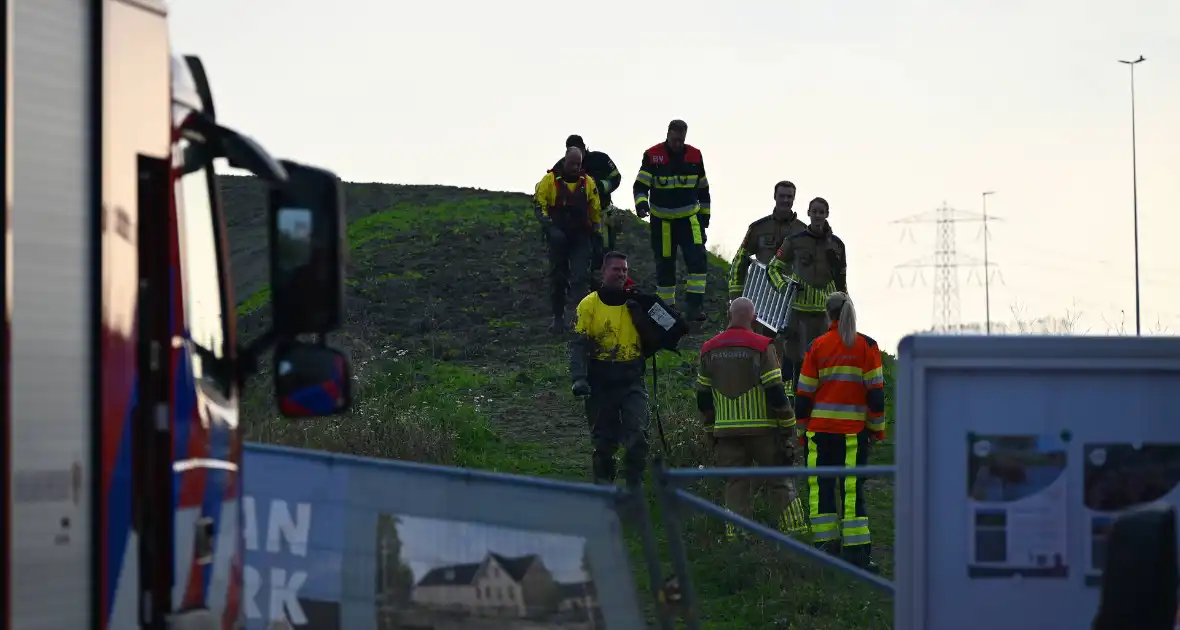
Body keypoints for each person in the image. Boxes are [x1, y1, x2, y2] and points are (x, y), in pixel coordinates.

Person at [696, 297, 809, 541]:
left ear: (729, 316)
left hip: (726, 433)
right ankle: (796, 537)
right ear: (754, 319)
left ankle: (737, 540)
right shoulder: (761, 345)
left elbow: (703, 396)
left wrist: (710, 430)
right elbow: (776, 391)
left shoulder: (708, 349)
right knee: (779, 479)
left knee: (735, 484)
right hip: (763, 431)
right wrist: (788, 427)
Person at [794, 292, 885, 572]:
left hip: (819, 433)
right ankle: (857, 556)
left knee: (821, 489)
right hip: (852, 435)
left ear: (827, 314)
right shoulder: (867, 346)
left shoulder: (816, 346)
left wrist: (801, 431)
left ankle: (825, 551)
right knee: (851, 492)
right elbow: (876, 396)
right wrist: (876, 431)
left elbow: (804, 394)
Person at [569, 251, 651, 486]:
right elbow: (578, 343)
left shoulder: (636, 303)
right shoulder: (589, 305)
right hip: (600, 381)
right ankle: (604, 490)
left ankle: (633, 489)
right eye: (616, 269)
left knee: (638, 437)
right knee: (604, 442)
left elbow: (656, 339)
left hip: (631, 379)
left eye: (625, 270)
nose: (622, 274)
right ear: (603, 271)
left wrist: (642, 318)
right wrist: (579, 378)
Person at [767, 197, 848, 396]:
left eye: (822, 212)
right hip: (797, 310)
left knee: (822, 358)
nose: (818, 215)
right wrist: (784, 287)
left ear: (827, 214)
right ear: (808, 213)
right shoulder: (794, 241)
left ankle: (818, 396)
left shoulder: (838, 245)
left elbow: (842, 279)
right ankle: (790, 398)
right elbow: (772, 268)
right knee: (793, 356)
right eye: (815, 211)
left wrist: (845, 308)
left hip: (824, 314)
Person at [632, 119, 711, 322]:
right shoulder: (652, 155)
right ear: (668, 134)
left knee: (698, 262)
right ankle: (667, 311)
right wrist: (641, 205)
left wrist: (705, 218)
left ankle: (694, 308)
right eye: (675, 139)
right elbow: (640, 186)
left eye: (681, 140)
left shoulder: (694, 155)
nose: (678, 144)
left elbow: (703, 189)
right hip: (663, 222)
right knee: (665, 266)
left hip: (690, 220)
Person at [727, 181, 809, 373]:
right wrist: (737, 297)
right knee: (755, 342)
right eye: (782, 196)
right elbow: (740, 260)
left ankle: (782, 388)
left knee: (787, 347)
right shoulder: (758, 228)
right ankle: (753, 379)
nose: (786, 200)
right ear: (775, 196)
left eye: (790, 196)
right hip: (760, 297)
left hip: (790, 299)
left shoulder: (803, 232)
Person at [534, 146, 603, 333]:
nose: (575, 167)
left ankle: (581, 321)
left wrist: (597, 234)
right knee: (558, 278)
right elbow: (539, 206)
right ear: (565, 161)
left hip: (581, 236)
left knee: (581, 278)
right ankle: (558, 318)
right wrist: (551, 229)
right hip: (558, 238)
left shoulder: (588, 183)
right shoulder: (549, 181)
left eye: (578, 164)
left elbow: (595, 210)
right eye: (572, 163)